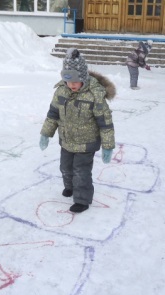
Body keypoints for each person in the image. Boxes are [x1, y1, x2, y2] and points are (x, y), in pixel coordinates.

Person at [39, 48, 116, 214]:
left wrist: (108, 145)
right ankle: (70, 187)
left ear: (83, 77)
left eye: (76, 81)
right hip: (67, 141)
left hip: (86, 144)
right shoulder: (61, 91)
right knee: (65, 168)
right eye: (68, 80)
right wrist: (46, 133)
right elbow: (53, 114)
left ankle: (82, 200)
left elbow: (105, 123)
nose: (72, 84)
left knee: (81, 172)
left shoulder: (94, 95)